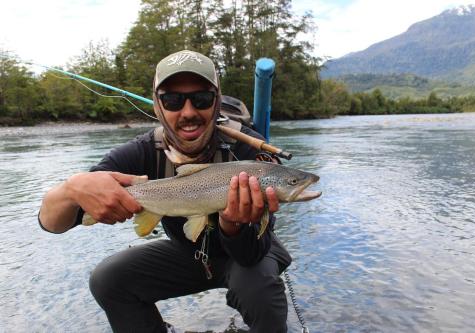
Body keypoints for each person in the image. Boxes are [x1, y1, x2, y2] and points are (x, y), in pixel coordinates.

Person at [39, 50, 292, 333]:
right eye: (172, 100)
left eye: (201, 99)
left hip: (250, 256)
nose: (188, 112)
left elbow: (251, 253)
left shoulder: (249, 154)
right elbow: (51, 223)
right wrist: (72, 189)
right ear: (158, 105)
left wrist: (231, 225)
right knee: (108, 279)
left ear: (217, 100)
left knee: (256, 285)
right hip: (188, 253)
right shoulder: (140, 152)